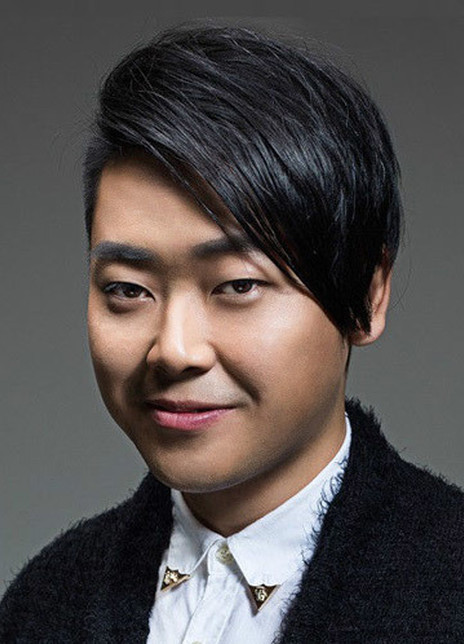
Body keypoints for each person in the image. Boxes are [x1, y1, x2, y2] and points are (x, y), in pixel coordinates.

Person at [1, 23, 463, 644]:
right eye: (129, 290)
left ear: (365, 294)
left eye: (237, 286)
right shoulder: (43, 604)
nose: (174, 350)